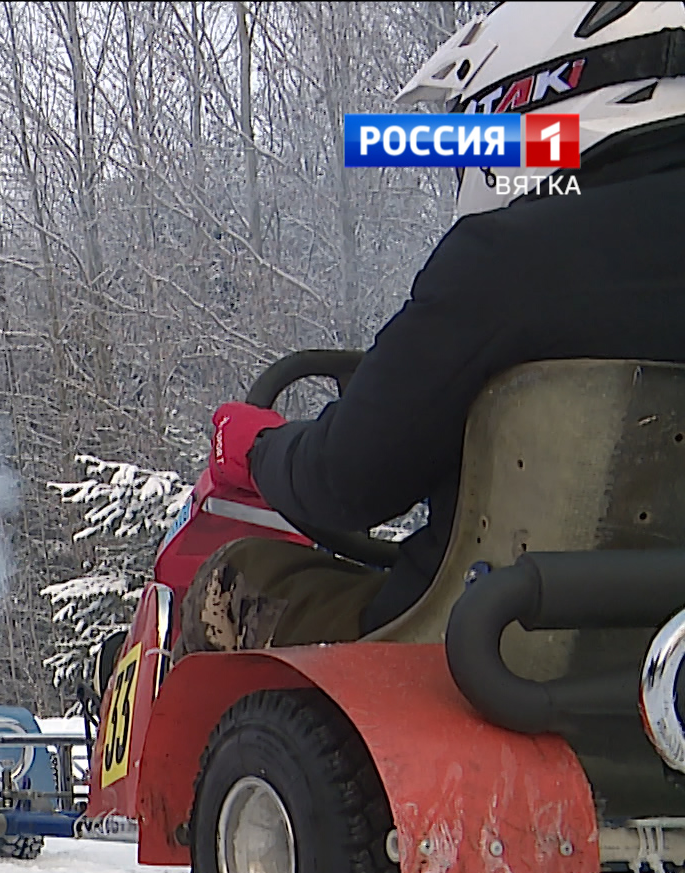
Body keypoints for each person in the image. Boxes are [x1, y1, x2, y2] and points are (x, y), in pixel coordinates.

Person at [184, 0, 685, 655]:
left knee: (232, 579)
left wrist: (256, 449)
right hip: (658, 655)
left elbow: (347, 483)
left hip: (495, 648)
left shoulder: (506, 259)